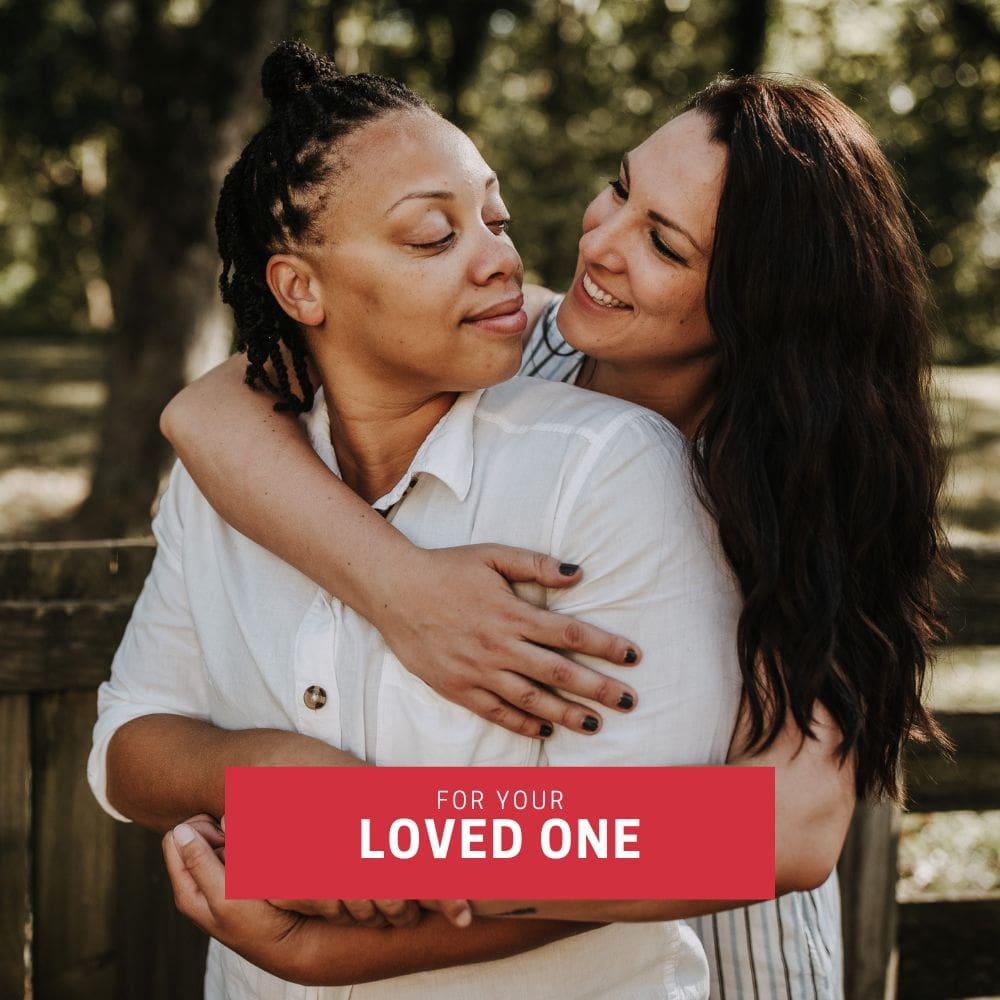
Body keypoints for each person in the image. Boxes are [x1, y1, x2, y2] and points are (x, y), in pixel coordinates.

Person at [159, 66, 953, 999]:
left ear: (763, 305)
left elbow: (787, 829)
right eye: (621, 186)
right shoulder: (522, 343)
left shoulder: (812, 487)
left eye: (663, 242)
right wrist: (400, 587)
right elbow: (210, 410)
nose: (601, 241)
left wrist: (354, 861)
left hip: (726, 960)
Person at [89, 40, 750, 999]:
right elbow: (125, 746)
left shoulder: (612, 468)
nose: (505, 260)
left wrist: (338, 840)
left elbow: (651, 838)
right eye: (434, 238)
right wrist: (266, 773)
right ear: (299, 289)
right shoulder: (231, 478)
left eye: (495, 218)